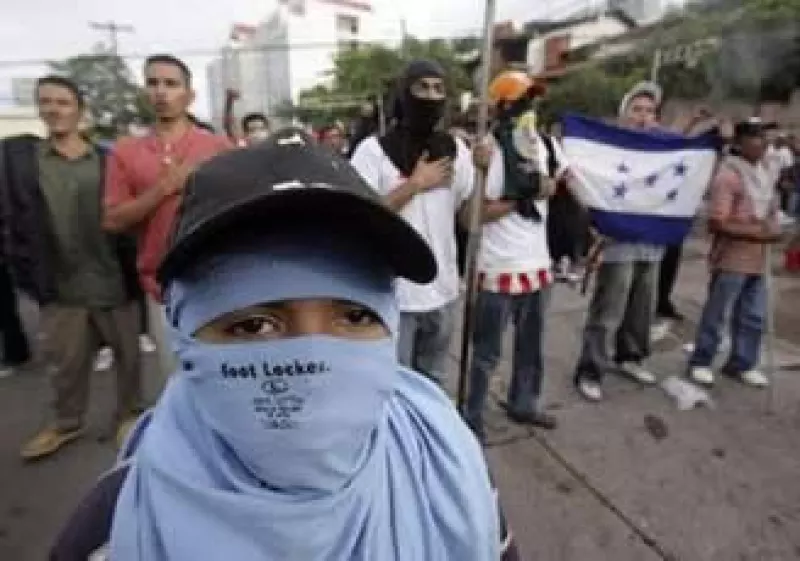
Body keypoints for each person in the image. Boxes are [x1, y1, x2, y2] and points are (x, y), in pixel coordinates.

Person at [49, 129, 520, 561]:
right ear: (185, 336)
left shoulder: (446, 464)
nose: (314, 359)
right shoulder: (114, 529)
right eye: (254, 326)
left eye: (355, 316)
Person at [1, 76, 143, 460]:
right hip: (60, 288)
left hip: (114, 281)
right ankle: (67, 423)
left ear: (79, 109)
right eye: (45, 102)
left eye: (62, 102)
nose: (53, 109)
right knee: (65, 366)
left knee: (129, 357)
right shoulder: (24, 164)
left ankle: (129, 415)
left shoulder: (108, 160)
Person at [103, 54, 231, 384]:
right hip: (161, 288)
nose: (161, 92)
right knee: (174, 381)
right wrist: (164, 188)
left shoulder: (218, 147)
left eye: (171, 84)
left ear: (189, 95)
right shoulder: (125, 152)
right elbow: (113, 220)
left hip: (218, 282)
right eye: (153, 83)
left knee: (223, 376)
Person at [351, 60, 474, 382]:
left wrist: (484, 170)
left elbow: (467, 216)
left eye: (438, 89)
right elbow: (359, 217)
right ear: (405, 94)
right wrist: (415, 184)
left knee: (434, 382)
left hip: (443, 289)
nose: (431, 96)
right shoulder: (372, 151)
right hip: (395, 295)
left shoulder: (454, 149)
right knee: (396, 387)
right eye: (422, 88)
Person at [463, 71, 562, 441]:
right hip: (499, 267)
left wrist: (548, 188)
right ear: (503, 106)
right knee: (486, 353)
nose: (530, 108)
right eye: (522, 100)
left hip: (538, 264)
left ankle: (524, 403)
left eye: (533, 100)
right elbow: (477, 213)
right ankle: (472, 417)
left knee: (531, 346)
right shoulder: (489, 150)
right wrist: (522, 197)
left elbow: (556, 183)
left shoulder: (543, 144)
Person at [573, 81, 666, 402]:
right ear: (624, 113)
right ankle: (591, 369)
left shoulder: (661, 151)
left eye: (649, 111)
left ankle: (631, 356)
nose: (643, 117)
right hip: (617, 241)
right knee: (609, 308)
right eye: (637, 109)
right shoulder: (608, 149)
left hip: (652, 240)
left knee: (643, 305)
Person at [687, 119, 782, 388]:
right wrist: (758, 233)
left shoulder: (764, 172)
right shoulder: (728, 175)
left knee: (754, 314)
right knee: (718, 312)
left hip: (759, 258)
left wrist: (774, 225)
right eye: (755, 138)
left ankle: (742, 363)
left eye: (764, 137)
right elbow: (718, 222)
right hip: (732, 257)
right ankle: (702, 361)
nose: (763, 143)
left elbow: (772, 210)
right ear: (739, 144)